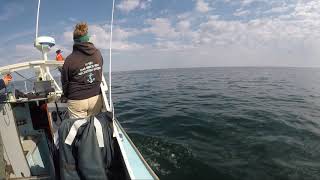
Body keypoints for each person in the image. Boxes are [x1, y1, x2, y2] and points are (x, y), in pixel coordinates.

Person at [61, 22, 103, 119]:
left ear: (74, 41)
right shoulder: (97, 53)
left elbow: (65, 83)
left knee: (79, 129)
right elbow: (99, 71)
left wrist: (66, 96)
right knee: (93, 126)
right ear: (87, 39)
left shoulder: (69, 60)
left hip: (77, 100)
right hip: (95, 97)